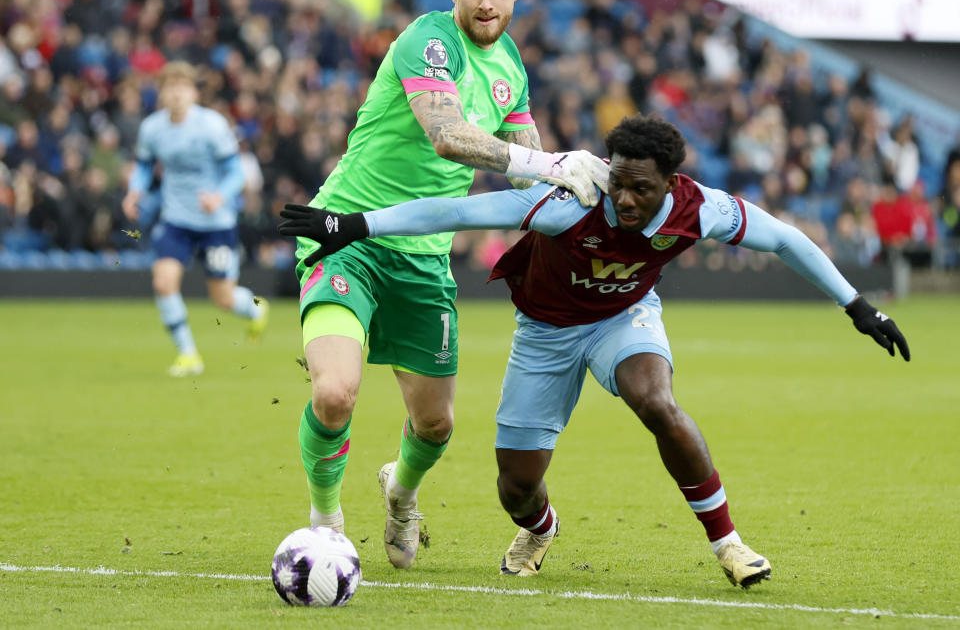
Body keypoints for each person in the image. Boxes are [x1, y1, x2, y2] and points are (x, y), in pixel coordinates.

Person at [278, 113, 910, 588]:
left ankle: (729, 545)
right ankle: (541, 529)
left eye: (643, 190)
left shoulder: (700, 209)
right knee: (515, 485)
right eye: (619, 185)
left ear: (671, 182)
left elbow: (784, 238)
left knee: (654, 399)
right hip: (546, 333)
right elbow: (457, 212)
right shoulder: (570, 202)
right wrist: (356, 224)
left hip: (624, 318)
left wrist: (857, 306)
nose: (627, 201)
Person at [286, 0, 608, 570]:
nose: (486, 4)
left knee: (436, 426)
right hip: (347, 234)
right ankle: (325, 522)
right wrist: (552, 162)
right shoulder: (428, 41)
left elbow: (525, 176)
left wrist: (587, 203)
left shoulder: (511, 66)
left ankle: (399, 494)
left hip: (424, 256)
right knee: (334, 395)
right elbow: (448, 136)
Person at [122, 61, 269, 377]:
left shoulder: (212, 126)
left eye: (181, 87)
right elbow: (145, 166)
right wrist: (135, 191)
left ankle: (258, 308)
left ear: (192, 92)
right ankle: (188, 354)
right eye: (169, 87)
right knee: (163, 281)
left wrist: (219, 196)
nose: (175, 94)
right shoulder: (152, 129)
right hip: (176, 219)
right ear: (161, 93)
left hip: (216, 222)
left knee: (223, 299)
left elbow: (235, 172)